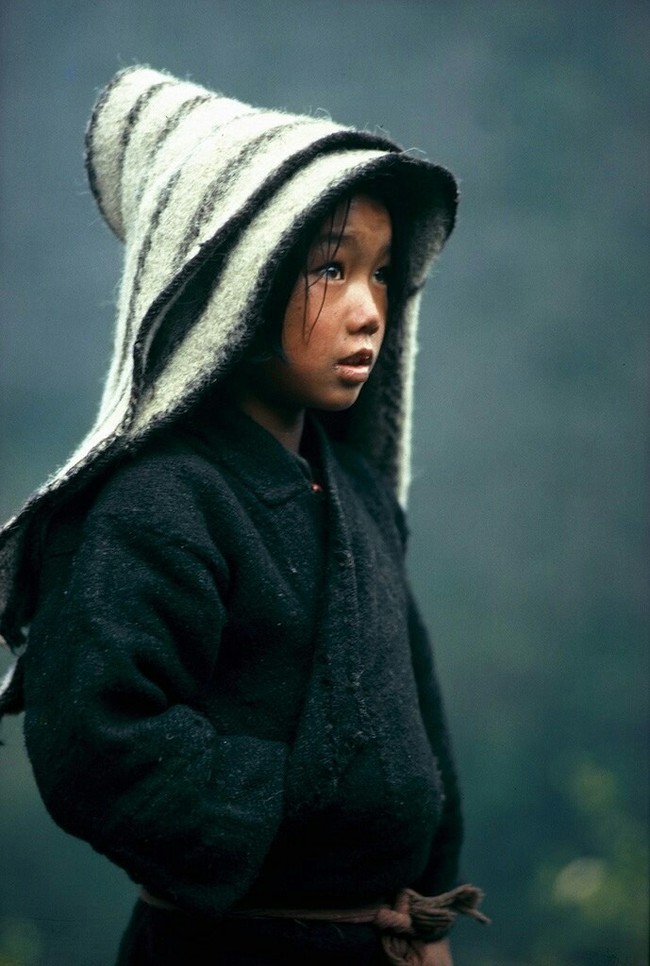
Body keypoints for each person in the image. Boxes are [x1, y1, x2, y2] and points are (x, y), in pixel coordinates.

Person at [0, 67, 487, 965]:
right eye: (331, 269)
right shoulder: (160, 503)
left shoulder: (359, 496)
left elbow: (416, 717)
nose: (369, 309)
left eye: (381, 274)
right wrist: (306, 793)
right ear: (237, 282)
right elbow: (93, 738)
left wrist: (426, 913)